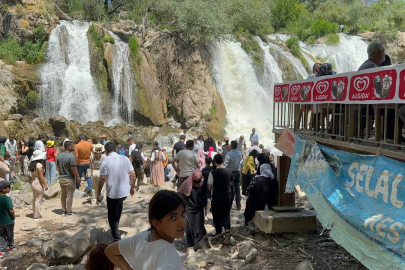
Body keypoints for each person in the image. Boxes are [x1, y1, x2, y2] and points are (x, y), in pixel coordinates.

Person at [105, 190, 185, 269]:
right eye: (173, 217)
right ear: (157, 224)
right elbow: (110, 251)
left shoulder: (143, 237)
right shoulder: (168, 255)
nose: (182, 222)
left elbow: (110, 251)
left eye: (183, 214)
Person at [99, 142, 136, 242]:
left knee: (112, 215)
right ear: (116, 149)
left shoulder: (105, 160)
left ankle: (116, 239)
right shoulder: (125, 158)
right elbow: (133, 174)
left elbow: (102, 178)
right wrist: (132, 188)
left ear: (106, 151)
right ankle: (116, 228)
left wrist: (98, 193)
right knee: (118, 207)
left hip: (113, 193)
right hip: (124, 192)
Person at [178, 169, 207, 251]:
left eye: (198, 180)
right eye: (195, 181)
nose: (197, 182)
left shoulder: (202, 184)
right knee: (190, 227)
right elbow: (181, 196)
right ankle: (190, 244)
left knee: (198, 225)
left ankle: (198, 242)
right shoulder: (187, 184)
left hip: (199, 209)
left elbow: (205, 196)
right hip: (189, 209)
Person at [208, 154, 233, 244]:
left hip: (217, 197)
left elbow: (209, 186)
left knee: (216, 215)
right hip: (227, 196)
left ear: (215, 162)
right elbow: (231, 182)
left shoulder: (213, 172)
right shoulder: (229, 171)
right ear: (223, 161)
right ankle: (227, 231)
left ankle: (218, 233)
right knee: (226, 214)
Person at [57, 141, 81, 216]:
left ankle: (63, 210)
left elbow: (58, 166)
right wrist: (77, 176)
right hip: (69, 178)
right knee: (69, 195)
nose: (74, 147)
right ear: (68, 147)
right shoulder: (71, 157)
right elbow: (73, 168)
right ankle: (69, 211)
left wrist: (61, 173)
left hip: (61, 178)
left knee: (63, 194)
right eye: (72, 145)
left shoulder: (59, 156)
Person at [28, 150, 48, 219]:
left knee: (35, 198)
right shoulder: (39, 165)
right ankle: (38, 215)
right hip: (38, 183)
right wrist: (45, 184)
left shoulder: (32, 164)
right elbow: (41, 176)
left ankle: (35, 213)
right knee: (38, 199)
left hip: (33, 182)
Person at [224, 141, 243, 210]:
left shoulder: (228, 154)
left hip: (230, 172)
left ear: (231, 146)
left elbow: (225, 164)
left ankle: (229, 204)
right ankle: (238, 205)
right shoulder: (239, 153)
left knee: (229, 189)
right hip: (237, 172)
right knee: (237, 190)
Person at [0, 181, 15, 259]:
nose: (10, 187)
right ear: (3, 189)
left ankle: (1, 251)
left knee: (1, 235)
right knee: (10, 234)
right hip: (8, 221)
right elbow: (11, 210)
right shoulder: (7, 199)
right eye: (8, 187)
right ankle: (11, 248)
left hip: (0, 222)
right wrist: (14, 216)